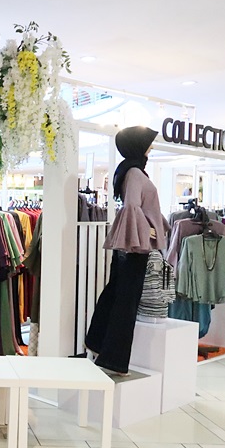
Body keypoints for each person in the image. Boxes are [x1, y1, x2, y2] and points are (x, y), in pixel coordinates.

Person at [85, 126, 168, 375]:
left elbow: (134, 207)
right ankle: (113, 360)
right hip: (135, 246)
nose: (152, 146)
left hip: (131, 243)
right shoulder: (133, 172)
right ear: (137, 144)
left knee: (116, 294)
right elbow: (132, 206)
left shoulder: (131, 170)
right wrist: (149, 232)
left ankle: (97, 342)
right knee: (126, 301)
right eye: (148, 141)